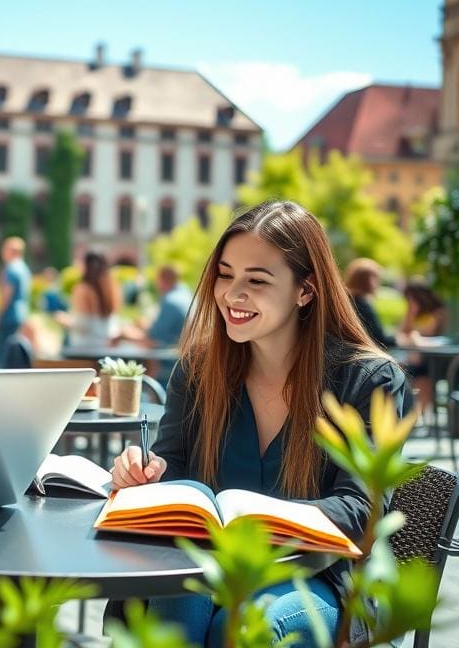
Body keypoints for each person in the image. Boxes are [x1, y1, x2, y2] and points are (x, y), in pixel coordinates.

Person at [109, 200, 407, 646]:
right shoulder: (198, 369)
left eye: (256, 280)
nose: (231, 294)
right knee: (182, 583)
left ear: (305, 290)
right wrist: (141, 475)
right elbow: (172, 466)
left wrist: (258, 517)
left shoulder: (368, 380)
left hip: (320, 581)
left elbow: (361, 511)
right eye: (225, 275)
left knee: (250, 626)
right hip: (210, 573)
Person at [399, 279, 448, 414]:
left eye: (411, 297)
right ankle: (412, 414)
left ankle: (418, 414)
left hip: (432, 358)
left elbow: (427, 333)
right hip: (414, 357)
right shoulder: (412, 312)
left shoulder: (436, 312)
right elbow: (401, 334)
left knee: (423, 378)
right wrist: (411, 313)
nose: (409, 301)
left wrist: (413, 336)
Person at [61, 251, 120, 349]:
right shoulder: (111, 287)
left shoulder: (83, 288)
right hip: (107, 340)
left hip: (86, 344)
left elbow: (84, 323)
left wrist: (64, 319)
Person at [344, 257, 396, 349]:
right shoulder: (362, 304)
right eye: (377, 278)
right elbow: (380, 339)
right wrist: (402, 339)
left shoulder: (346, 301)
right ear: (369, 280)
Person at [0, 236, 32, 367]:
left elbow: (6, 295)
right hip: (20, 315)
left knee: (4, 355)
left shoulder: (11, 269)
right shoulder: (24, 268)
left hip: (9, 315)